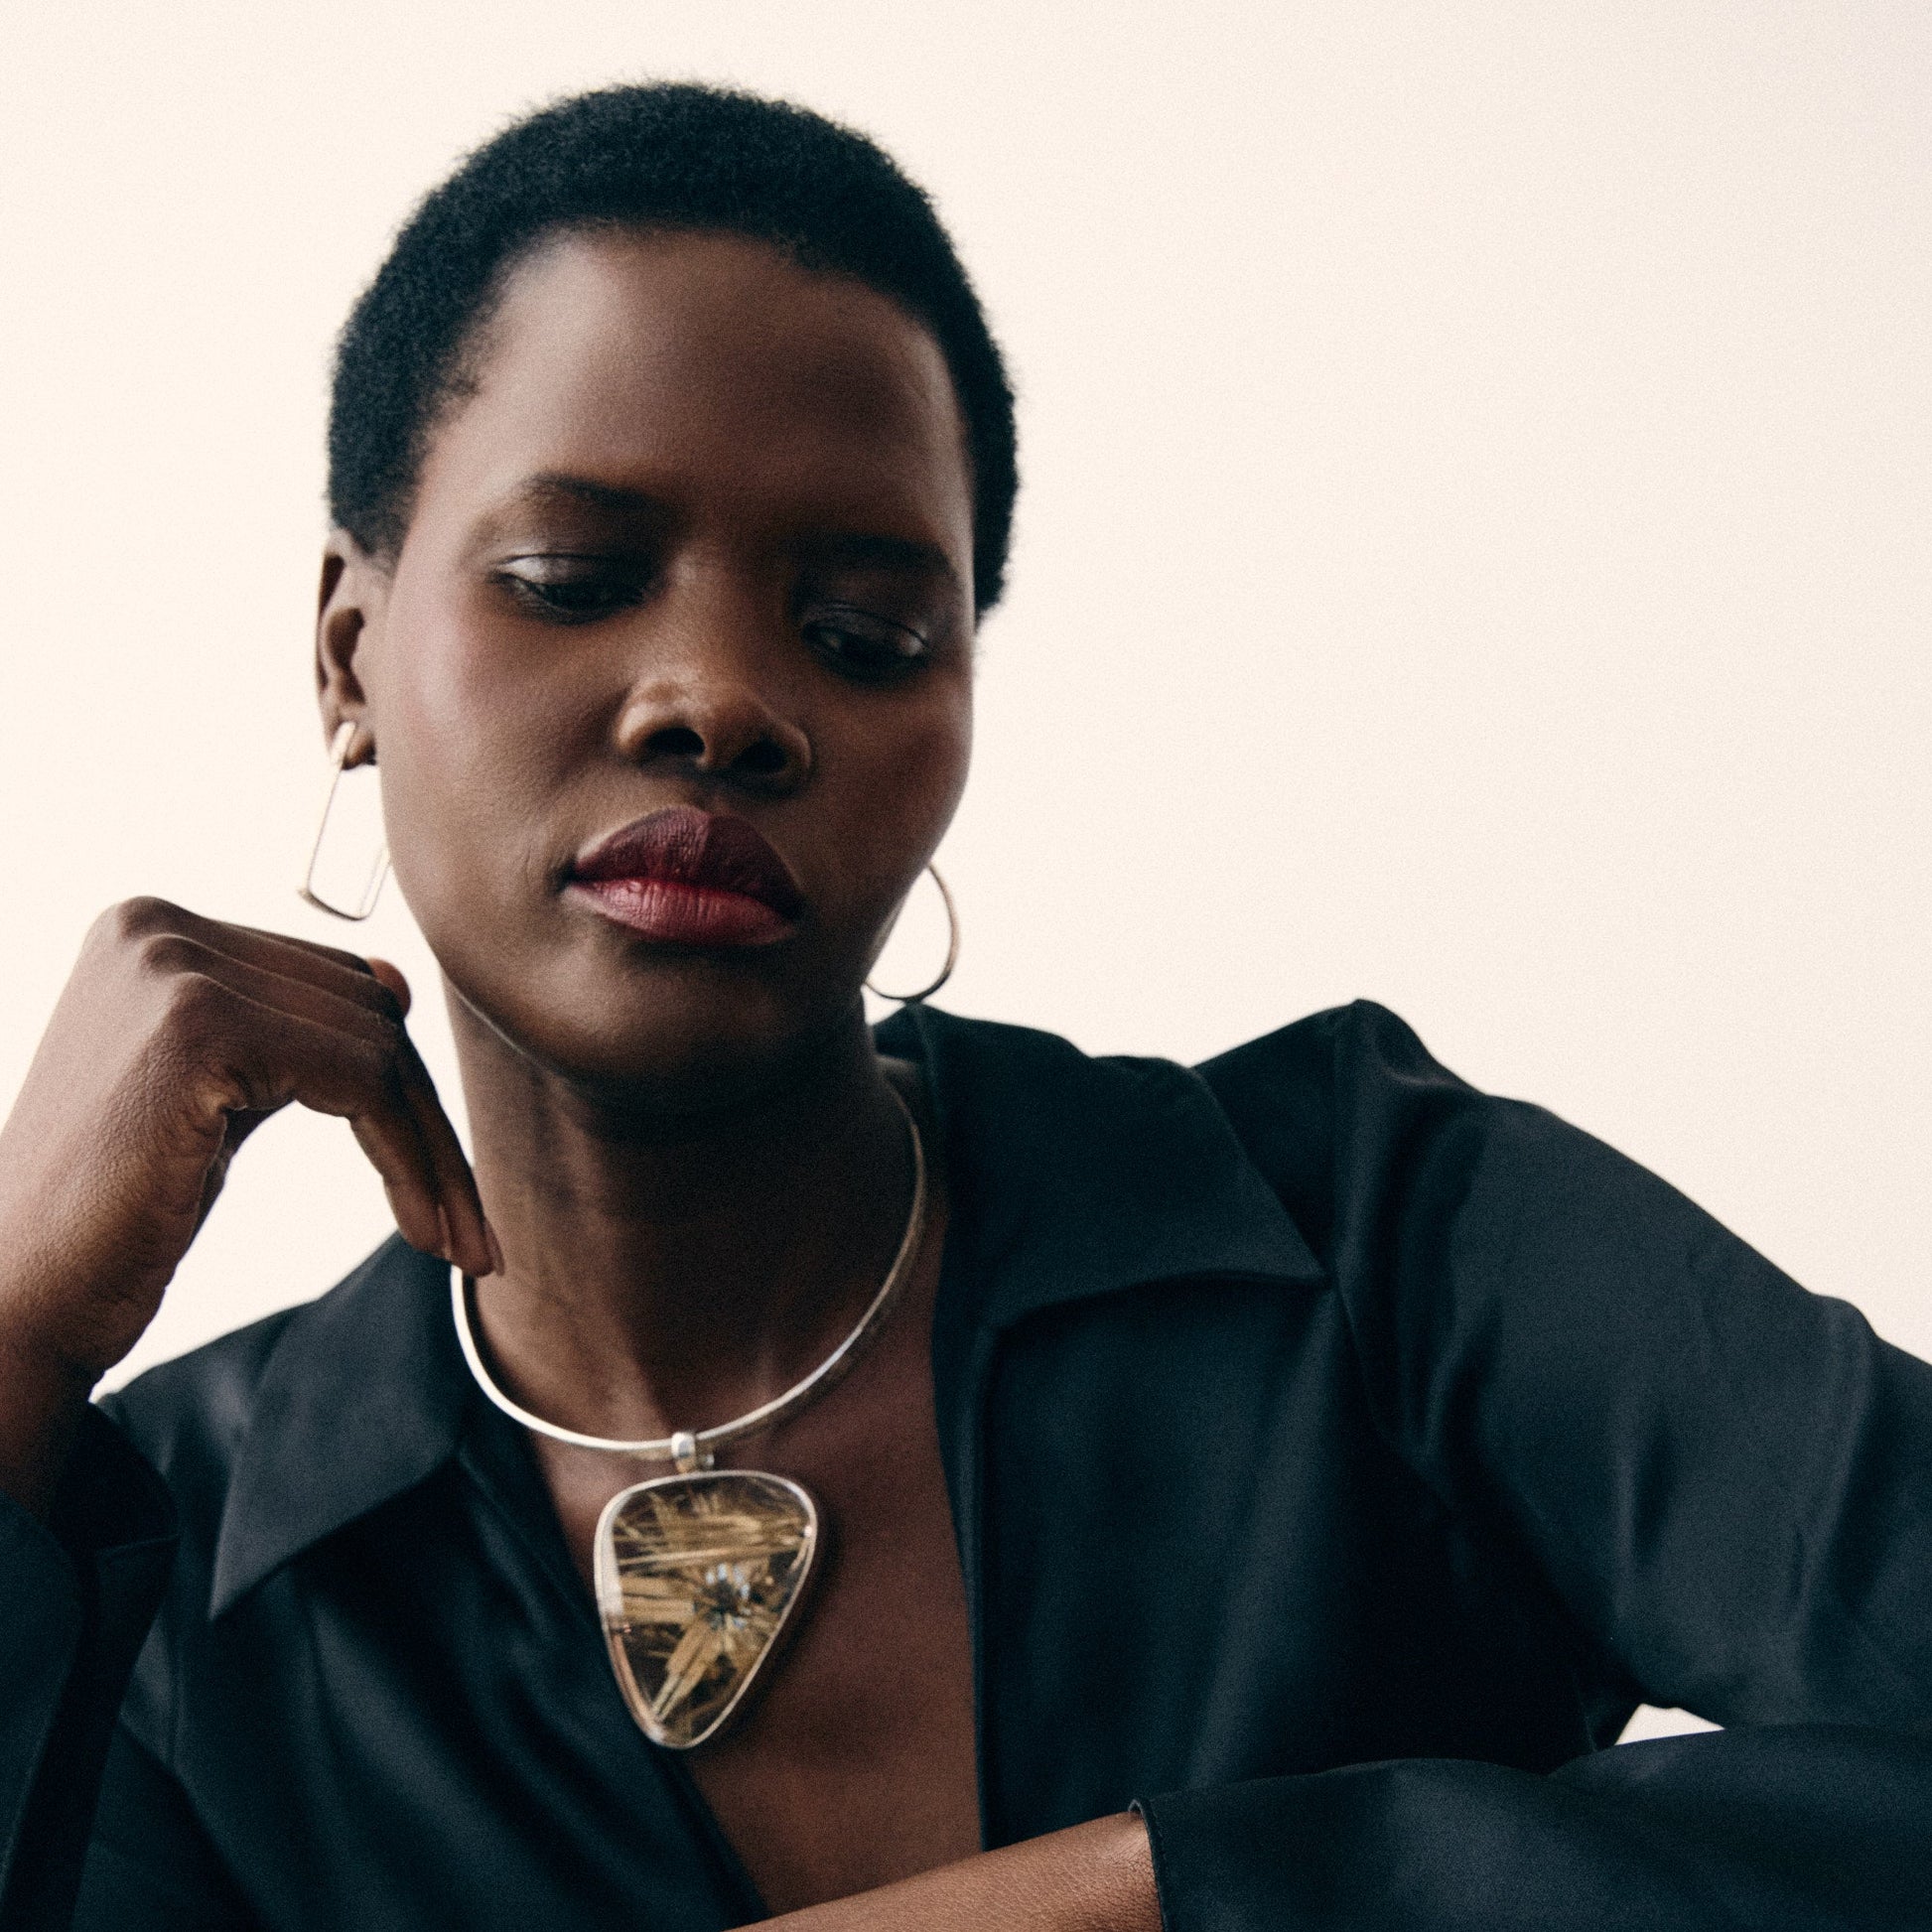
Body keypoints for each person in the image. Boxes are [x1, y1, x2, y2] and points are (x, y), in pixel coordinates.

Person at [0, 80, 1927, 1932]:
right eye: (572, 575)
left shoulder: (1378, 1252)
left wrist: (1148, 1894)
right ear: (345, 648)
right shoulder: (173, 1568)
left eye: (864, 631)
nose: (719, 698)